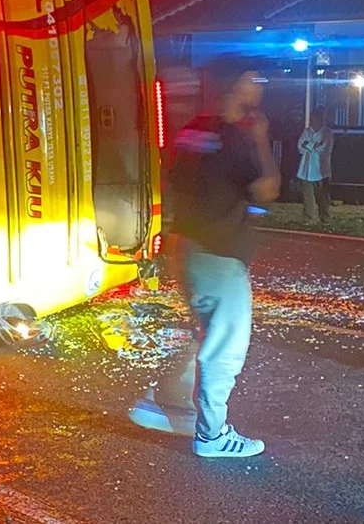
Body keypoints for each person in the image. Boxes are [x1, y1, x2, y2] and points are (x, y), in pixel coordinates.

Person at [129, 59, 280, 458]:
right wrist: (263, 139)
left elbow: (176, 179)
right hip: (221, 253)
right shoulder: (239, 137)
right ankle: (212, 436)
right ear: (236, 86)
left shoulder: (192, 130)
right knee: (225, 346)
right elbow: (267, 190)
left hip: (188, 248)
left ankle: (164, 400)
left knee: (206, 334)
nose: (260, 85)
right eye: (254, 78)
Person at [296, 107, 334, 223]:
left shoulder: (327, 132)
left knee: (323, 196)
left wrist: (308, 145)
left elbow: (325, 149)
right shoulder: (307, 131)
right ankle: (308, 218)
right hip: (306, 170)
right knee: (308, 197)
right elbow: (300, 148)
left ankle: (325, 218)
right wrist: (315, 146)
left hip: (322, 170)